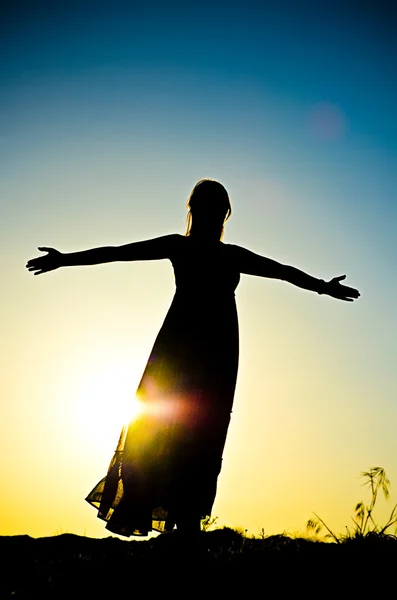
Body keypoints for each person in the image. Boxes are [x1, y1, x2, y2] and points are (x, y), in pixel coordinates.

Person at [26, 178, 360, 537]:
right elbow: (118, 251)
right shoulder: (182, 247)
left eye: (215, 210)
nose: (211, 215)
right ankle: (161, 512)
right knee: (162, 426)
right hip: (182, 349)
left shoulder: (231, 255)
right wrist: (65, 260)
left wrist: (323, 286)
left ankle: (186, 521)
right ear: (198, 211)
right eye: (206, 208)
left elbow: (283, 272)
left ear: (223, 214)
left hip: (215, 354)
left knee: (203, 430)